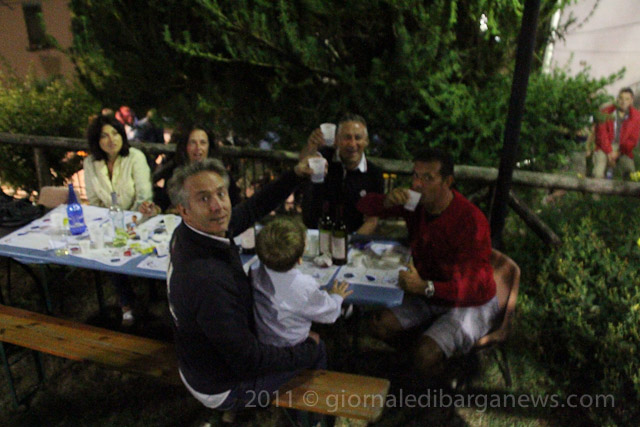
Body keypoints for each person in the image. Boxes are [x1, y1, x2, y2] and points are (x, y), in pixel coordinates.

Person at [166, 157, 326, 412]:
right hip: (224, 387)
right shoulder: (207, 279)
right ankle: (313, 417)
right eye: (204, 198)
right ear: (184, 210)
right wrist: (307, 350)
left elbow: (253, 207)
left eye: (221, 193)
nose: (218, 206)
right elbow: (248, 360)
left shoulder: (193, 233)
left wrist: (295, 174)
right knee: (318, 347)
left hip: (198, 364)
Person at [356, 148, 498, 379]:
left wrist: (426, 287)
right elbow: (363, 206)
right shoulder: (416, 204)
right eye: (415, 175)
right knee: (378, 324)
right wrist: (386, 201)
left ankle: (448, 379)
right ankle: (418, 360)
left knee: (425, 355)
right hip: (428, 292)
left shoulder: (470, 220)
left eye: (428, 178)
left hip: (470, 302)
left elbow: (474, 288)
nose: (417, 184)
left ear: (447, 182)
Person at [84, 115, 154, 326]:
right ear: (97, 140)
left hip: (139, 219)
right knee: (108, 250)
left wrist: (128, 223)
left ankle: (150, 299)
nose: (111, 140)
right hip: (109, 223)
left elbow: (144, 197)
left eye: (115, 133)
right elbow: (94, 201)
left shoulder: (135, 157)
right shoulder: (91, 163)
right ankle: (126, 303)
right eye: (104, 136)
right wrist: (109, 224)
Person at [251, 217, 352, 347]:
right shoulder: (304, 286)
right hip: (291, 346)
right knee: (321, 343)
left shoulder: (255, 271)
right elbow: (330, 314)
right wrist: (337, 296)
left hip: (265, 339)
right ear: (299, 260)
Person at [301, 113, 384, 235]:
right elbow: (303, 165)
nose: (352, 144)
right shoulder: (323, 158)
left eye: (358, 138)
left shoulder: (374, 174)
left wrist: (350, 241)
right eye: (347, 137)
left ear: (366, 141)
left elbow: (372, 220)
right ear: (337, 140)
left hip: (353, 240)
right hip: (316, 234)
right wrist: (311, 146)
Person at [153, 126, 241, 212]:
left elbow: (235, 204)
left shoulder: (220, 173)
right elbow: (164, 203)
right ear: (185, 147)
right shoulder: (175, 174)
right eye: (193, 143)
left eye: (203, 143)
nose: (198, 147)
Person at [592, 87, 640, 180]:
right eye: (621, 98)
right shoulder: (606, 112)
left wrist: (618, 153)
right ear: (617, 99)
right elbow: (601, 135)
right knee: (598, 172)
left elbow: (632, 140)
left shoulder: (636, 117)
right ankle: (596, 188)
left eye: (627, 99)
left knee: (630, 172)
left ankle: (626, 188)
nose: (623, 102)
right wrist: (609, 152)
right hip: (606, 146)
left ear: (631, 101)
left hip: (623, 149)